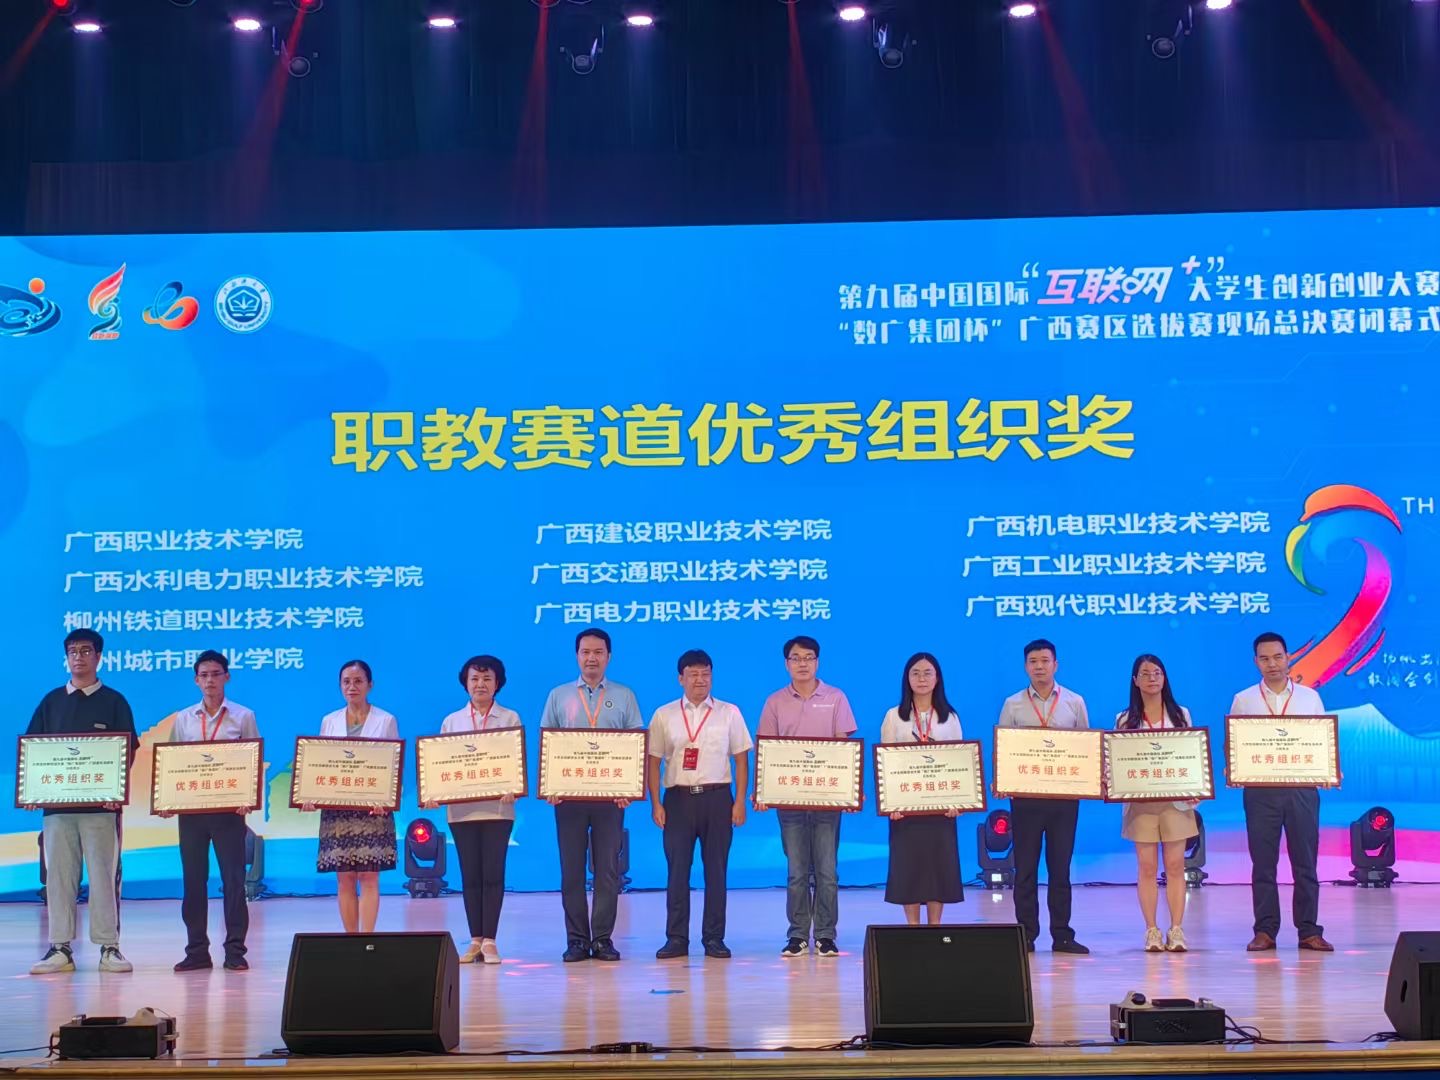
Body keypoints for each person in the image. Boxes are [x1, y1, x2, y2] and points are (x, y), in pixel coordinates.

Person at [27, 629, 138, 975]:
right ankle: (60, 948)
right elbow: (32, 750)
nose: (79, 657)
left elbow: (128, 751)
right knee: (58, 878)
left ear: (99, 657)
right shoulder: (51, 702)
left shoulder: (114, 701)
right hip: (57, 811)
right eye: (73, 651)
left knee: (104, 877)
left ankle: (109, 947)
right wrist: (31, 790)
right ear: (67, 657)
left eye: (86, 651)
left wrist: (114, 790)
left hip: (101, 810)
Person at [539, 628, 643, 963]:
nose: (591, 658)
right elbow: (548, 744)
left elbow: (634, 745)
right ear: (577, 656)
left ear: (609, 656)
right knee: (571, 870)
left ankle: (602, 939)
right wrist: (550, 785)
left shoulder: (624, 695)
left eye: (598, 652)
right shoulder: (558, 695)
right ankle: (576, 941)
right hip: (569, 798)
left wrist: (629, 787)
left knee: (607, 870)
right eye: (585, 652)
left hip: (610, 798)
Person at [1229, 632, 1334, 953]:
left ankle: (1309, 931)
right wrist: (1234, 768)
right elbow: (1234, 743)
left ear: (1288, 657)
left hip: (1302, 790)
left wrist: (1329, 769)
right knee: (1263, 864)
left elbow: (1323, 741)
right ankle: (1265, 931)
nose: (1272, 664)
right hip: (1260, 792)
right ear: (1255, 662)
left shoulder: (1309, 697)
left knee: (1306, 863)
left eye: (1277, 657)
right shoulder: (1244, 699)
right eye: (1264, 658)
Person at [756, 634, 857, 958]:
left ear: (818, 662)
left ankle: (826, 935)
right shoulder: (774, 702)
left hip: (827, 801)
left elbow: (843, 748)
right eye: (796, 658)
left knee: (827, 872)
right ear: (786, 664)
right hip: (790, 802)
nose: (803, 664)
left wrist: (849, 791)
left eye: (808, 657)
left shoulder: (836, 697)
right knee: (797, 872)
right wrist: (763, 792)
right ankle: (798, 935)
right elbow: (767, 751)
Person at [647, 649, 752, 960]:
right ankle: (676, 938)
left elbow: (741, 760)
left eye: (706, 674)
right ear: (680, 678)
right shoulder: (664, 714)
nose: (700, 680)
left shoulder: (729, 712)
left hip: (718, 798)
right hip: (677, 800)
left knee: (716, 871)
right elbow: (653, 762)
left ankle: (714, 938)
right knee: (677, 871)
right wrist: (656, 803)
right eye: (693, 674)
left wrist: (740, 802)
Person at [167, 650, 259, 972]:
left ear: (227, 677)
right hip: (192, 813)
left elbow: (253, 760)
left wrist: (249, 797)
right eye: (204, 675)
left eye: (216, 674)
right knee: (193, 882)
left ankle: (235, 951)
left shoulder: (243, 716)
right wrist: (167, 800)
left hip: (229, 812)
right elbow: (172, 763)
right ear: (196, 680)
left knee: (234, 882)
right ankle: (197, 952)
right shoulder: (183, 718)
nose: (210, 680)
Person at [997, 638, 1090, 954]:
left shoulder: (1074, 702)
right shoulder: (1013, 704)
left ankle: (1062, 935)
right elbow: (1004, 749)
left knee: (1060, 869)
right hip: (1025, 800)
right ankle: (1025, 934)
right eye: (1033, 661)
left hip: (1064, 800)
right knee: (1025, 869)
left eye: (1045, 661)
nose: (1039, 667)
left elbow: (1085, 749)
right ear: (1026, 666)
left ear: (1056, 664)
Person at [431, 655, 521, 965]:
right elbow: (441, 765)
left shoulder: (509, 718)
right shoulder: (452, 721)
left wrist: (514, 785)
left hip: (498, 809)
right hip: (461, 811)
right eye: (474, 679)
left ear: (497, 684)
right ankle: (474, 940)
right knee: (470, 875)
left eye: (487, 679)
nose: (480, 684)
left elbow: (515, 761)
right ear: (465, 683)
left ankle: (491, 940)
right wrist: (435, 792)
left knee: (493, 874)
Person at [306, 659, 398, 934]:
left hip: (373, 809)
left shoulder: (386, 720)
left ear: (370, 685)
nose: (352, 686)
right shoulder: (329, 720)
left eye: (358, 681)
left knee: (369, 876)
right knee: (344, 876)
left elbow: (393, 766)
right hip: (338, 809)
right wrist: (310, 794)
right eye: (346, 682)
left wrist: (386, 799)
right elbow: (321, 763)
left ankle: (367, 939)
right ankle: (350, 939)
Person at [1115, 654, 1197, 954]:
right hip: (1140, 804)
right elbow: (1118, 763)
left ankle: (1176, 929)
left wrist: (1196, 787)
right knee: (1147, 867)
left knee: (1175, 865)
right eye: (1145, 673)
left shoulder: (1181, 715)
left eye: (1157, 673)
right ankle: (1151, 930)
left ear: (1165, 678)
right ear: (1135, 680)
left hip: (1176, 802)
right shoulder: (1124, 720)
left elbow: (1192, 756)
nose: (1152, 678)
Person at [879, 652, 965, 925]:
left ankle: (935, 927)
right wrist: (891, 804)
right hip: (906, 809)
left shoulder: (950, 717)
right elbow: (886, 763)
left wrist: (959, 802)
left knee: (939, 867)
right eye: (915, 673)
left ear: (938, 678)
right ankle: (913, 928)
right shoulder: (894, 716)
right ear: (907, 679)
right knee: (909, 868)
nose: (922, 678)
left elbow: (960, 762)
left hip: (941, 808)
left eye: (928, 673)